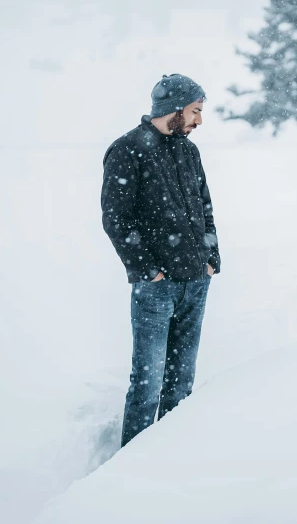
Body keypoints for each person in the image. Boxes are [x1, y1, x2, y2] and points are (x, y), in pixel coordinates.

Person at [101, 73, 221, 447]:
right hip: (156, 287)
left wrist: (211, 255)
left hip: (195, 282)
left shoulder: (189, 150)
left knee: (181, 383)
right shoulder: (128, 149)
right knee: (148, 385)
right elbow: (115, 218)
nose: (199, 121)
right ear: (174, 109)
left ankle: (170, 461)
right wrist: (146, 269)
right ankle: (127, 466)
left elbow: (205, 206)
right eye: (195, 111)